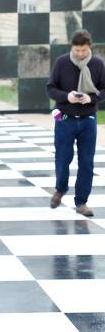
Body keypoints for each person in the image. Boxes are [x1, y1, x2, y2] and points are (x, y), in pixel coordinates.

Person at [47, 29, 105, 217]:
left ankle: (81, 202)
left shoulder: (97, 64)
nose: (80, 54)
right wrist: (67, 97)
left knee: (87, 163)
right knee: (63, 158)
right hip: (64, 118)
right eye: (77, 50)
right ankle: (60, 189)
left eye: (84, 50)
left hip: (88, 120)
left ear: (89, 47)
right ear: (72, 47)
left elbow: (103, 90)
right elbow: (50, 88)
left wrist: (91, 99)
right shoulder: (62, 62)